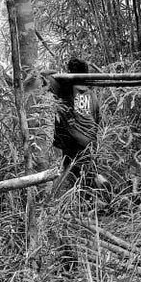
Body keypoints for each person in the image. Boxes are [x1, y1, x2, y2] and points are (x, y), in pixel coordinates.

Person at [49, 58, 101, 192]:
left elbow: (46, 75)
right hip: (89, 140)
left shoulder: (65, 89)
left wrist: (62, 75)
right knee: (87, 172)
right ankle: (90, 201)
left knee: (70, 171)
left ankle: (73, 201)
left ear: (70, 73)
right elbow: (97, 119)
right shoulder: (92, 95)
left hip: (72, 139)